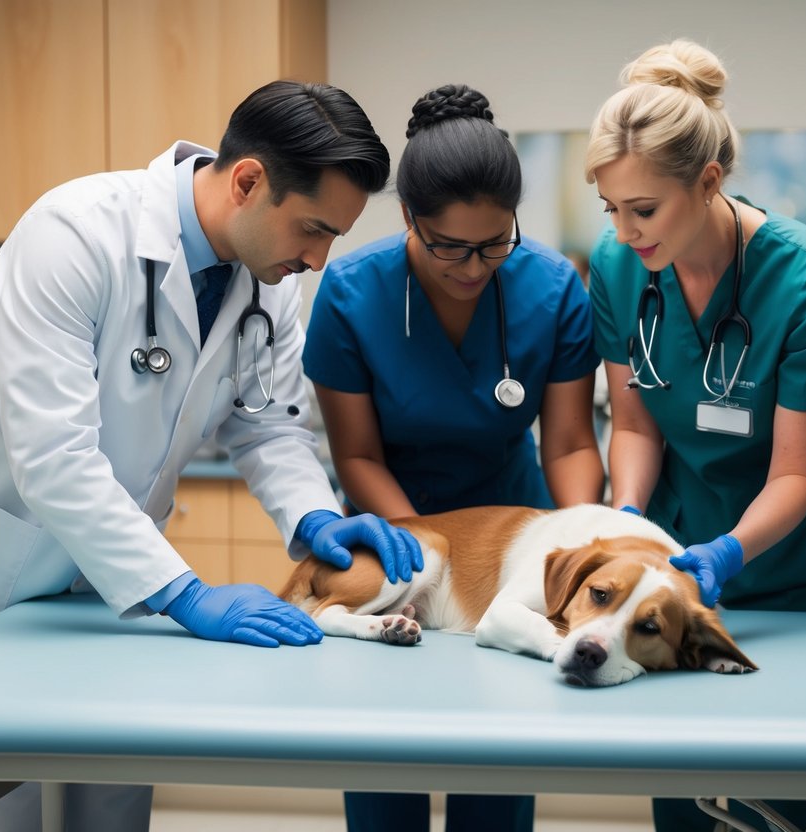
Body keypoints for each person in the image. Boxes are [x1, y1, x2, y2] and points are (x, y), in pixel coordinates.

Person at [0, 80, 422, 832]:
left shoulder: (270, 284)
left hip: (107, 598)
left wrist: (316, 517)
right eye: (312, 229)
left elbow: (268, 428)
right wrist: (185, 594)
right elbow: (54, 457)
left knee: (107, 811)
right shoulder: (72, 234)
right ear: (247, 181)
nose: (319, 258)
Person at [302, 84, 603, 831]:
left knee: (496, 785)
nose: (475, 267)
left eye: (496, 242)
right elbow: (357, 453)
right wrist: (421, 557)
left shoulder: (552, 285)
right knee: (384, 783)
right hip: (392, 537)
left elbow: (566, 441)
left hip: (512, 547)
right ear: (408, 218)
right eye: (450, 247)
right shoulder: (350, 292)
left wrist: (584, 537)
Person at [583, 39, 806, 832]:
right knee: (683, 800)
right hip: (662, 585)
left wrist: (729, 553)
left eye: (644, 210)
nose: (626, 232)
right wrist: (627, 515)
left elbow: (795, 478)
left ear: (707, 182)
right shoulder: (618, 265)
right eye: (611, 208)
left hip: (783, 581)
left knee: (779, 802)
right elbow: (633, 418)